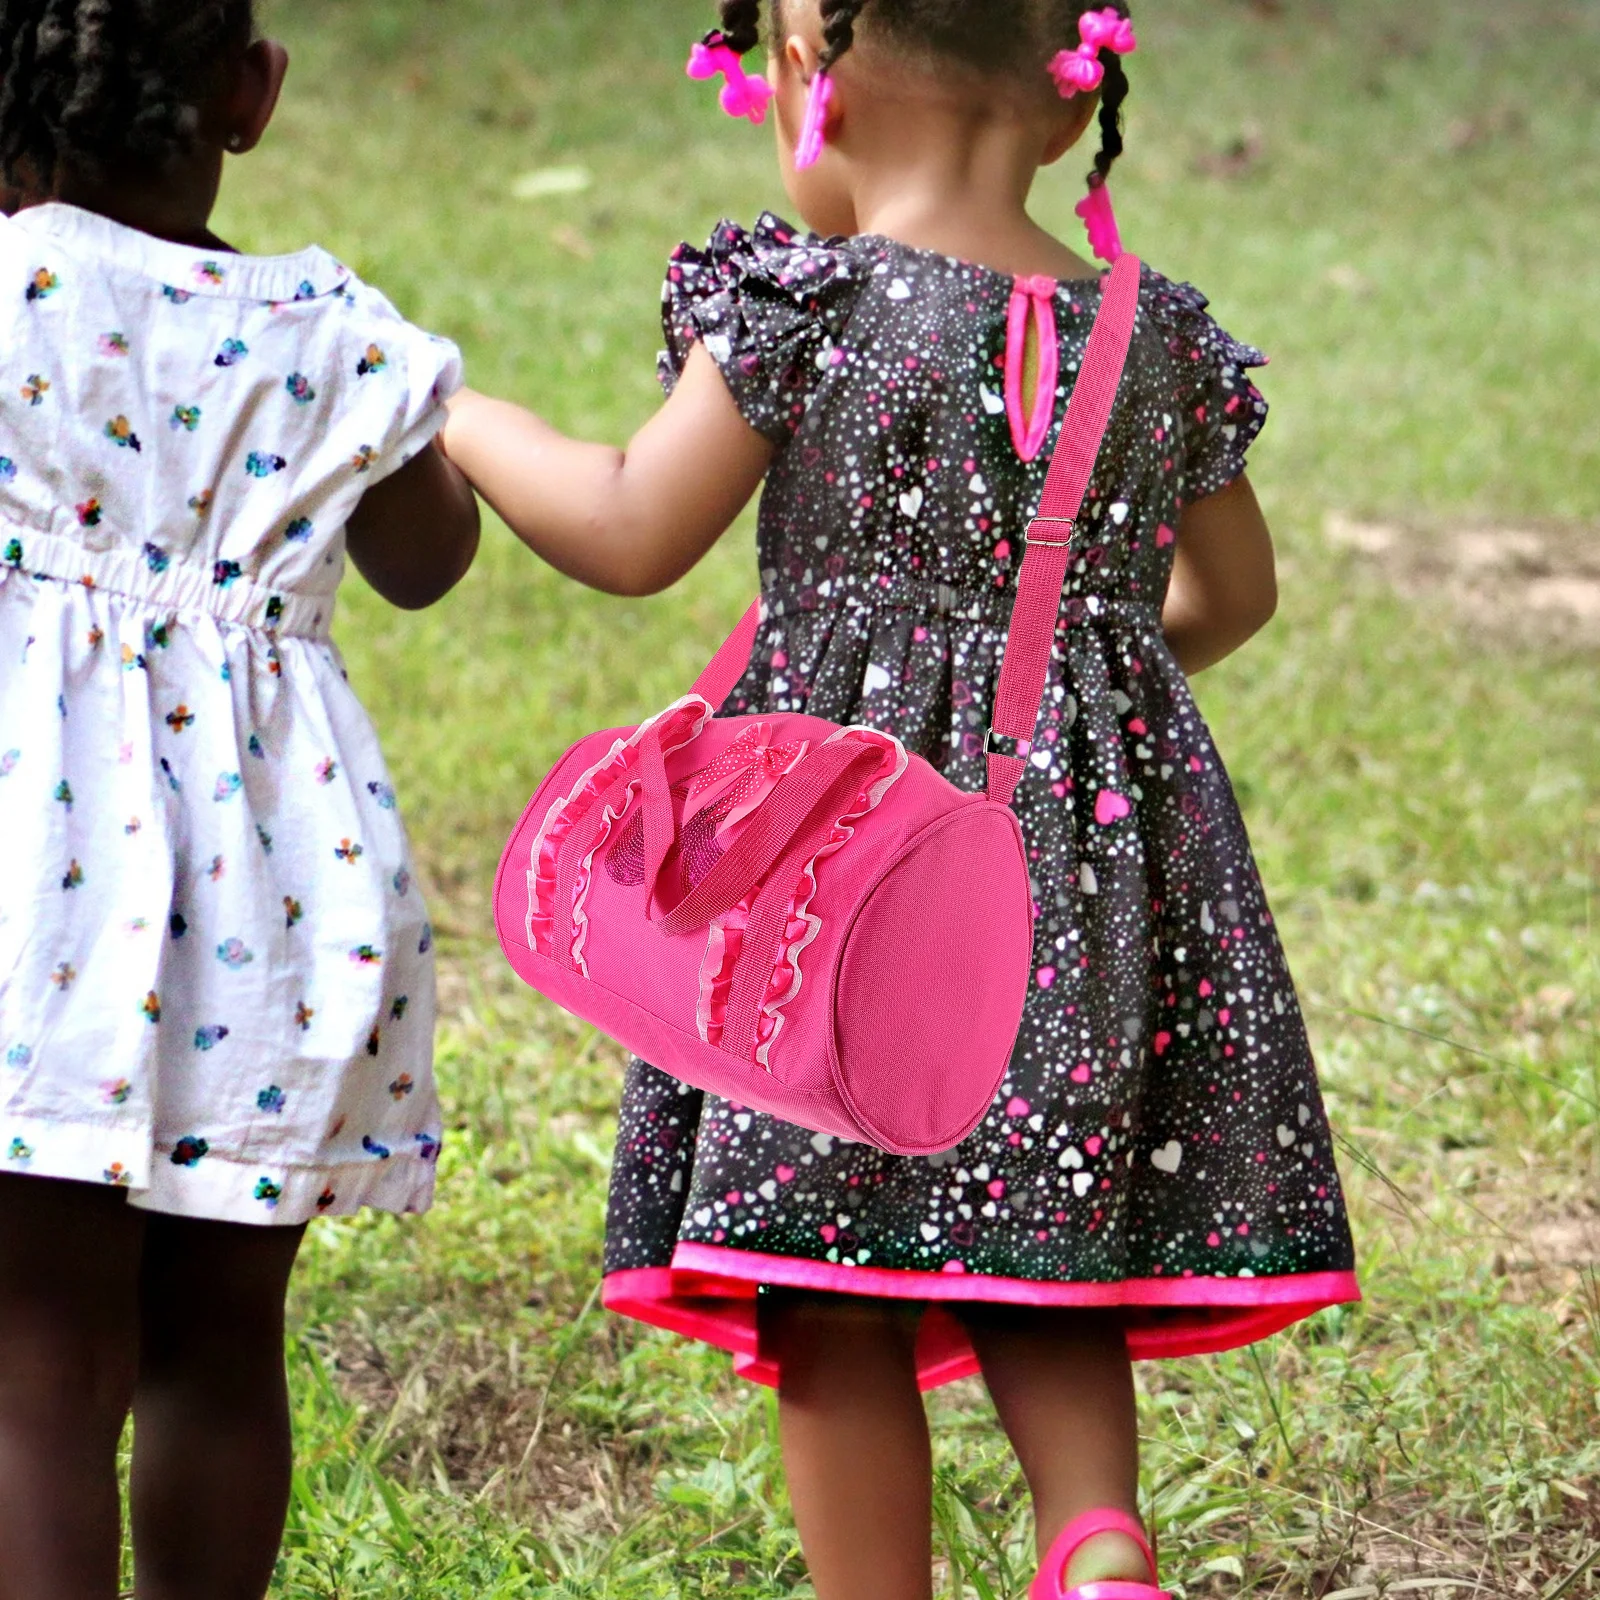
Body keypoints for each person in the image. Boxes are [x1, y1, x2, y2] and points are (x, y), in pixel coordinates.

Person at [442, 2, 1357, 1595]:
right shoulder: (1159, 338)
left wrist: (460, 417)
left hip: (833, 879)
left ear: (814, 85)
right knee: (1037, 1241)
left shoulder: (806, 304)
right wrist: (1083, 696)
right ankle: (1095, 1545)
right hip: (1074, 875)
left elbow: (627, 529)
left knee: (828, 1288)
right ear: (1071, 111)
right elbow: (1231, 596)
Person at [0, 4, 479, 1595]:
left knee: (37, 1368)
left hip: (32, 894)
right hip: (273, 894)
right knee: (219, 1348)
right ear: (251, 95)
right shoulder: (332, 328)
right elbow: (428, 559)